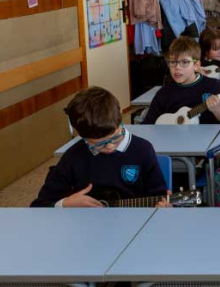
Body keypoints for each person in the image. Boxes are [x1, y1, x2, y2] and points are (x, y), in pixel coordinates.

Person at [31, 87, 169, 207]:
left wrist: (164, 207)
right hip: (85, 231)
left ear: (120, 117)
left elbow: (159, 196)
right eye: (99, 144)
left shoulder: (143, 150)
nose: (109, 146)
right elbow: (39, 205)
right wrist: (65, 203)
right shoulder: (73, 156)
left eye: (115, 137)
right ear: (82, 136)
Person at [141, 37, 220, 125]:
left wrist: (218, 112)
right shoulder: (164, 93)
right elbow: (147, 124)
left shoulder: (215, 86)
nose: (177, 67)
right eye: (172, 62)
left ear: (196, 65)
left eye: (184, 62)